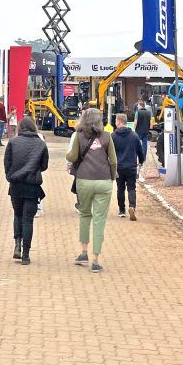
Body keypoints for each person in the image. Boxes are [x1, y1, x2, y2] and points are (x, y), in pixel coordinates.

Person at [65, 107, 116, 274]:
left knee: (85, 215)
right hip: (103, 181)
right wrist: (112, 177)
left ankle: (83, 253)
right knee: (99, 219)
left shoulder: (79, 136)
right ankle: (96, 260)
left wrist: (69, 157)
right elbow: (113, 161)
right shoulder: (107, 136)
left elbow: (72, 157)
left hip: (84, 180)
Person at [2, 115, 48, 265]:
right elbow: (44, 165)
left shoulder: (13, 142)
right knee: (28, 219)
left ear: (20, 128)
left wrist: (10, 176)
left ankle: (17, 245)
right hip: (32, 185)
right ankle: (26, 254)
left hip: (15, 185)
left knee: (17, 215)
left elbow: (7, 162)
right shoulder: (41, 144)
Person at [111, 113, 145, 220]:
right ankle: (132, 206)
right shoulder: (134, 136)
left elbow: (110, 152)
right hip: (131, 166)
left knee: (120, 188)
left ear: (119, 121)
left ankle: (122, 210)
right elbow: (140, 151)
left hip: (119, 167)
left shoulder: (113, 136)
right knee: (131, 188)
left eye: (116, 121)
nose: (115, 123)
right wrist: (141, 160)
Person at [133, 99, 153, 175]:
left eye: (138, 105)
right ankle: (143, 158)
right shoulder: (148, 113)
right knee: (144, 145)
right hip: (146, 131)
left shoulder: (137, 113)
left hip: (138, 131)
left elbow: (135, 122)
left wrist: (134, 129)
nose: (137, 106)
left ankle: (135, 157)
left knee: (136, 145)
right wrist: (150, 127)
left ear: (140, 106)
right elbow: (151, 123)